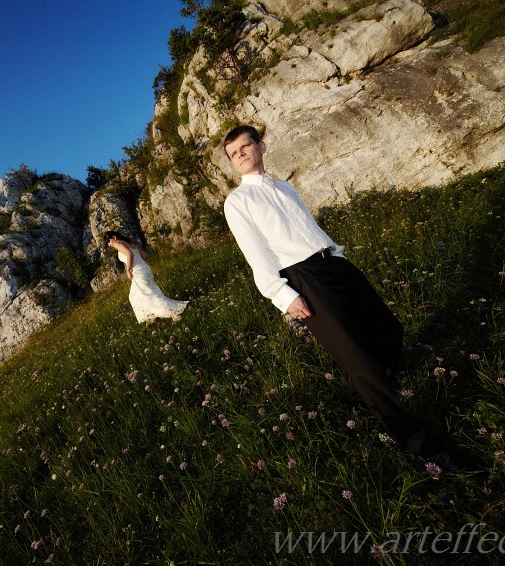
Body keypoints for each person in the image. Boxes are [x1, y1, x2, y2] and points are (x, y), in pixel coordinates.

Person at [221, 125, 470, 470]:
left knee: (388, 331)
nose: (241, 155)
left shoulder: (285, 187)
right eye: (233, 154)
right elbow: (255, 254)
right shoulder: (238, 201)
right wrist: (282, 295)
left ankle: (358, 395)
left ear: (261, 146)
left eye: (245, 146)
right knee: (360, 360)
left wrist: (337, 256)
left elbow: (308, 226)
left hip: (333, 264)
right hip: (304, 279)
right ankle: (423, 447)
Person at [103, 231, 189, 323]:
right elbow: (144, 256)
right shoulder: (131, 244)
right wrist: (139, 263)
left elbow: (129, 255)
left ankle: (172, 313)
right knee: (138, 295)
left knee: (147, 295)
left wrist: (128, 271)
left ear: (114, 237)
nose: (109, 245)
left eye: (109, 241)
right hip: (144, 269)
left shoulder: (117, 244)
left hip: (138, 272)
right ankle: (150, 317)